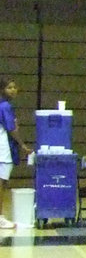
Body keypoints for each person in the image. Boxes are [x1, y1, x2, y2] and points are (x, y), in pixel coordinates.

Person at [0, 76, 30, 230]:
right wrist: (23, 145)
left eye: (14, 87)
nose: (13, 90)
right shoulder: (5, 107)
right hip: (3, 151)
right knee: (1, 184)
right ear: (2, 90)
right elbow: (12, 130)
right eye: (9, 87)